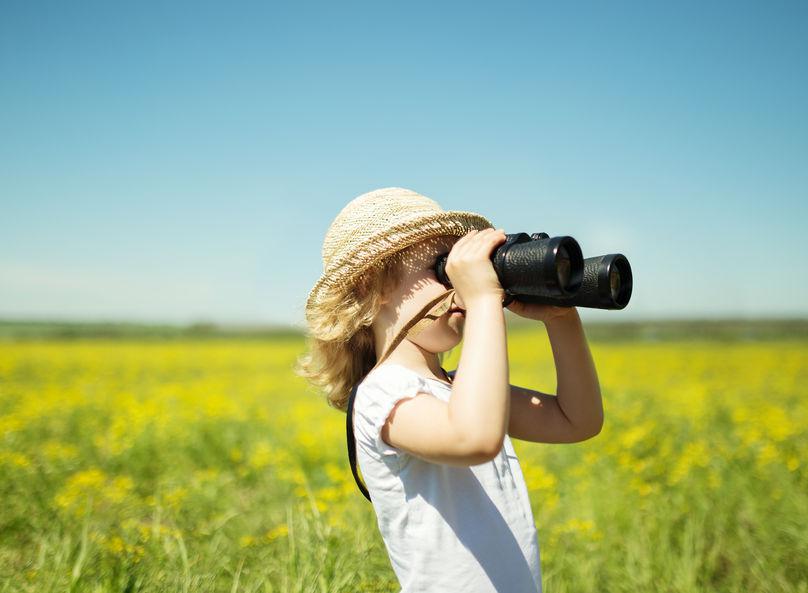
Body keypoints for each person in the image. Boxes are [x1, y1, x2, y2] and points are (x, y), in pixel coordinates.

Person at [297, 187, 604, 593]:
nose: (460, 288)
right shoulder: (381, 397)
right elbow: (473, 437)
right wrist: (483, 300)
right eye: (444, 270)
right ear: (374, 284)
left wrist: (561, 318)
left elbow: (577, 421)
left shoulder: (458, 388)